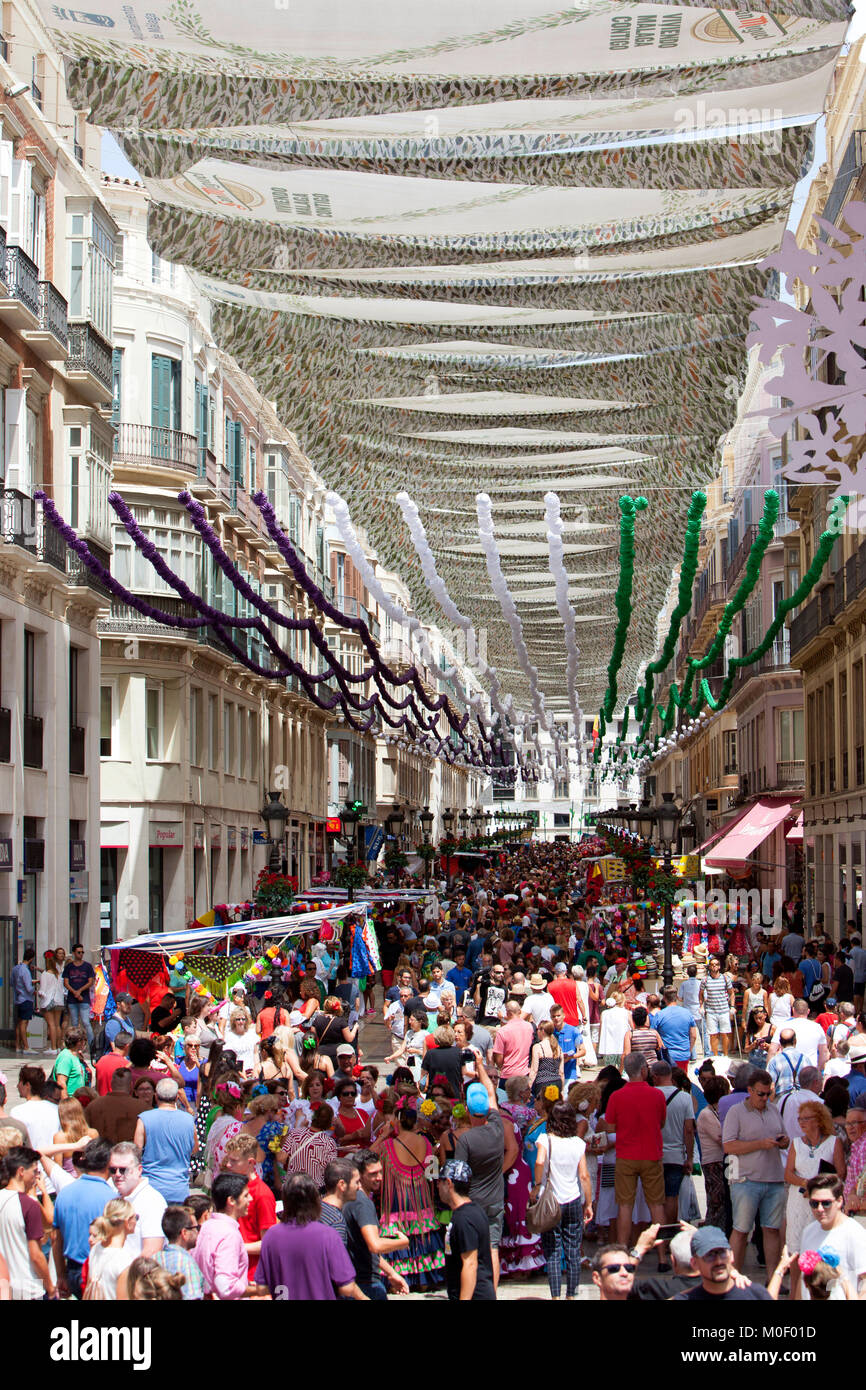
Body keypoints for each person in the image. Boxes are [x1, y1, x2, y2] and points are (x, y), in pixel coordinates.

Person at [455, 1062, 518, 1289]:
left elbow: (460, 1174)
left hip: (473, 1201)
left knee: (470, 1253)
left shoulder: (466, 1139)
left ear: (468, 1110)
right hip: (495, 1200)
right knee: (493, 1248)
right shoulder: (497, 1126)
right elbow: (491, 1092)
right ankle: (491, 1292)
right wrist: (480, 1064)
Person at [722, 1068, 789, 1275]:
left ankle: (773, 1277)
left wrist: (783, 1142)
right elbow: (728, 1146)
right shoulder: (736, 1112)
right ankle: (733, 1277)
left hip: (774, 1178)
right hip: (745, 1180)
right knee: (741, 1230)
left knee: (772, 1229)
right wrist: (760, 1144)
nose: (765, 1098)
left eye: (769, 1094)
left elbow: (784, 1136)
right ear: (750, 1091)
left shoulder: (774, 1110)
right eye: (761, 1094)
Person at [600, 1053, 667, 1247]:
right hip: (651, 1153)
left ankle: (623, 1249)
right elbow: (662, 1122)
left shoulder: (617, 1096)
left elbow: (610, 1126)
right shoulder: (657, 1095)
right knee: (656, 1205)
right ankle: (662, 1256)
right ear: (644, 1070)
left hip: (625, 1155)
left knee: (625, 1205)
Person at [377, 1100, 444, 1289]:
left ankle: (397, 1279)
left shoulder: (388, 1146)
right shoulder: (427, 1143)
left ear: (397, 1122)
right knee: (421, 1232)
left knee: (398, 1233)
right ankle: (423, 1279)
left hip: (397, 1198)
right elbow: (433, 1174)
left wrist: (383, 1136)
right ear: (416, 1123)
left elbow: (368, 1157)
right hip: (421, 1196)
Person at [531, 1100, 593, 1300]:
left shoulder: (545, 1139)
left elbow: (539, 1161)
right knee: (573, 1250)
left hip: (551, 1201)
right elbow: (584, 1176)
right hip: (573, 1198)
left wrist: (538, 1184)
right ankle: (571, 1295)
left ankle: (555, 1296)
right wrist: (589, 1203)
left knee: (553, 1250)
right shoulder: (578, 1143)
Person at [783, 1101, 845, 1296]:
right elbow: (788, 1173)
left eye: (807, 1118)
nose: (802, 1122)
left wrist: (818, 1187)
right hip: (798, 1202)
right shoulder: (796, 1143)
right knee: (796, 1250)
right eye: (800, 1118)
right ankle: (795, 1295)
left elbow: (840, 1173)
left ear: (818, 1120)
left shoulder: (833, 1142)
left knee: (822, 1249)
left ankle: (822, 1293)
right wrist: (805, 1184)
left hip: (823, 1203)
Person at [51, 1138, 115, 1298]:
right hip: (99, 1272)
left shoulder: (64, 1194)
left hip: (72, 1270)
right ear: (109, 1163)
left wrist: (60, 1275)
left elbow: (56, 1239)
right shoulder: (112, 1199)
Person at [343, 1150, 411, 1299]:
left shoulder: (352, 1199)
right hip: (366, 1284)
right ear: (359, 1175)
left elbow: (365, 1247)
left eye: (380, 1172)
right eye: (373, 1174)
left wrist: (391, 1273)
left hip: (357, 1282)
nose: (379, 1178)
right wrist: (402, 1242)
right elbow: (375, 1245)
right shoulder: (362, 1203)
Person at [220, 1131, 277, 1282]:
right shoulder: (230, 1187)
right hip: (230, 1271)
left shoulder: (262, 1194)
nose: (228, 1164)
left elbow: (267, 1243)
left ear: (251, 1162)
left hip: (250, 1275)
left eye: (234, 1161)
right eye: (228, 1160)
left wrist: (234, 1247)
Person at [0, 1145, 55, 1299]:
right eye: (35, 1171)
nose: (36, 1177)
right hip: (27, 1288)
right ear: (21, 1171)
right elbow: (36, 1255)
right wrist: (50, 1287)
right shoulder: (29, 1204)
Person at [799, 1174, 866, 1299]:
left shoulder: (855, 1233)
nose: (820, 1209)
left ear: (839, 1201)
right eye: (814, 1203)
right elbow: (802, 1281)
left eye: (826, 1203)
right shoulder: (808, 1232)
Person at [438, 1158, 496, 1301]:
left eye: (439, 1181)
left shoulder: (463, 1219)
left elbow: (470, 1264)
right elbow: (489, 1252)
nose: (437, 1186)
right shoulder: (476, 1210)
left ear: (449, 1183)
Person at [193, 1172, 256, 1299]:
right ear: (231, 1200)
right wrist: (257, 1291)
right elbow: (226, 1286)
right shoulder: (228, 1234)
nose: (250, 1199)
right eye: (245, 1195)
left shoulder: (207, 1226)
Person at [672, 1226, 773, 1301]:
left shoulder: (756, 1295)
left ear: (731, 1255)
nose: (718, 1261)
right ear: (694, 1263)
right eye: (710, 1256)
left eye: (722, 1253)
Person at [650, 1061, 695, 1230]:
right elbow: (689, 1130)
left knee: (655, 1198)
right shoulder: (684, 1098)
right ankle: (669, 1235)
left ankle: (657, 1234)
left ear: (655, 1077)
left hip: (654, 1154)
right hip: (676, 1155)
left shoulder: (651, 1095)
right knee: (672, 1197)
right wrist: (689, 1157)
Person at [108, 1142, 166, 1257]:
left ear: (139, 1170)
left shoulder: (152, 1201)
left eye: (123, 1170)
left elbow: (151, 1252)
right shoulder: (113, 1197)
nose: (118, 1174)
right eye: (113, 1170)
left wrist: (125, 1275)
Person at [696, 1074, 733, 1233]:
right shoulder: (706, 1114)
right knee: (716, 1200)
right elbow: (722, 1138)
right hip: (713, 1162)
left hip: (725, 1161)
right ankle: (712, 1232)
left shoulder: (722, 1112)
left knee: (727, 1200)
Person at [84, 1199, 138, 1300]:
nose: (136, 1221)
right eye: (136, 1217)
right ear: (127, 1222)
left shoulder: (96, 1249)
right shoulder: (124, 1260)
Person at [281, 1103, 338, 1186]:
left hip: (292, 1186)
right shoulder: (329, 1143)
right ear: (329, 1122)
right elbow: (331, 1172)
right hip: (314, 1189)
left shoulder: (295, 1134)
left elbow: (281, 1158)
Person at [13, 1067, 60, 1154]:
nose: (17, 1086)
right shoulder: (57, 1110)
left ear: (27, 1085)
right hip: (53, 1162)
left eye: (20, 1082)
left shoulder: (17, 1112)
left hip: (30, 1163)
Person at [654, 986, 698, 1071]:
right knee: (682, 1081)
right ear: (676, 997)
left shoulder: (659, 1015)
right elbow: (694, 1036)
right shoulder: (687, 1013)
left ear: (664, 998)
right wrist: (689, 1051)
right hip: (683, 1055)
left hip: (666, 1056)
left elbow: (653, 1034)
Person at [318, 1158, 360, 1247]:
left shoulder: (315, 1209)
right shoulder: (336, 1221)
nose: (359, 1187)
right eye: (356, 1182)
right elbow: (336, 1259)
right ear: (342, 1185)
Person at [491, 1001, 534, 1082]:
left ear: (507, 1013)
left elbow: (499, 1059)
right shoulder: (529, 1027)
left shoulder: (502, 1031)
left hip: (508, 1075)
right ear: (520, 1011)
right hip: (524, 1074)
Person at [62, 944, 95, 1046]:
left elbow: (91, 981)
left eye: (82, 952)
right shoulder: (69, 967)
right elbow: (66, 982)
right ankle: (75, 1044)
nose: (81, 954)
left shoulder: (87, 966)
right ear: (74, 953)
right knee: (74, 1023)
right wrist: (75, 992)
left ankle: (92, 1044)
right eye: (79, 952)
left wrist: (79, 991)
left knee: (86, 1022)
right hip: (72, 999)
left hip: (84, 998)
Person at [700, 957, 734, 1057]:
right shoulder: (705, 980)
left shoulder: (725, 978)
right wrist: (701, 1006)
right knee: (713, 1034)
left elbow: (731, 993)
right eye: (712, 964)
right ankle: (715, 1055)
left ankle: (726, 1055)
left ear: (719, 966)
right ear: (710, 967)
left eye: (716, 964)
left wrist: (732, 1006)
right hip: (711, 1011)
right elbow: (700, 993)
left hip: (723, 1010)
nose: (714, 966)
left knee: (725, 1033)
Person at [52, 1028, 94, 1100]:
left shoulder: (75, 1055)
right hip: (71, 1101)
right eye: (84, 1040)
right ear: (79, 1042)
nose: (85, 1043)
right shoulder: (66, 1057)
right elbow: (61, 1082)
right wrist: (67, 1103)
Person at [38, 950, 66, 1053]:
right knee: (57, 1024)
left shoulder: (45, 974)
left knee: (51, 1025)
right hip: (59, 1001)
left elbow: (43, 990)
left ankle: (53, 1047)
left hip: (49, 1001)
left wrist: (39, 993)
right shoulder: (58, 973)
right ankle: (58, 1046)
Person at [528, 1020, 564, 1098]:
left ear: (542, 1031)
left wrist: (529, 1087)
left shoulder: (538, 1047)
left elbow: (534, 1070)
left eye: (538, 1029)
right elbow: (561, 1072)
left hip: (543, 1083)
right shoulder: (558, 1048)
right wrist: (562, 1090)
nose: (536, 1032)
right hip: (557, 1082)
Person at [12, 947, 36, 1055]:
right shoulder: (25, 970)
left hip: (18, 998)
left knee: (19, 1023)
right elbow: (28, 987)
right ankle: (26, 1046)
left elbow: (12, 983)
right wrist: (34, 990)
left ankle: (18, 1045)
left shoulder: (16, 968)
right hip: (26, 999)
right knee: (24, 1023)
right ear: (31, 958)